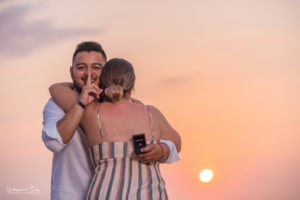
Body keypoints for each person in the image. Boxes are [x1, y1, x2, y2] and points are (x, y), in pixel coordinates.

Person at [42, 42, 180, 200]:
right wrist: (80, 101)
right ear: (71, 71)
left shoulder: (128, 108)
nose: (89, 74)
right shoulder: (59, 105)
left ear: (107, 72)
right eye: (81, 68)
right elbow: (54, 141)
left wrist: (162, 149)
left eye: (96, 67)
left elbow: (174, 142)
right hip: (72, 194)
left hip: (104, 192)